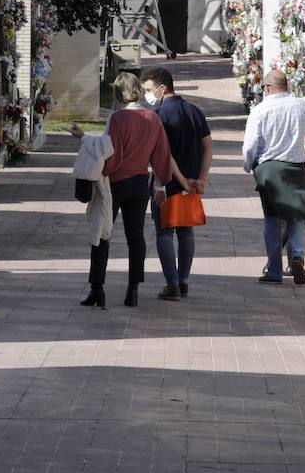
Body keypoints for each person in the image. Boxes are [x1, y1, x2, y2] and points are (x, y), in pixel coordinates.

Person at [72, 72, 190, 308]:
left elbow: (110, 151)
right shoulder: (153, 118)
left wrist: (84, 138)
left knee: (102, 234)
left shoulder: (117, 118)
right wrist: (159, 185)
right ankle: (133, 289)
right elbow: (162, 156)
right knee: (135, 237)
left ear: (118, 93)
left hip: (115, 183)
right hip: (139, 183)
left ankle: (97, 288)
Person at [141, 67, 211, 301]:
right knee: (186, 231)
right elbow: (207, 147)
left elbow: (164, 155)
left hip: (166, 182)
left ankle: (171, 284)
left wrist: (180, 181)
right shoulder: (194, 112)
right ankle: (183, 281)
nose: (147, 95)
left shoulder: (158, 116)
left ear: (162, 88)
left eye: (149, 89)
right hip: (192, 182)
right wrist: (201, 179)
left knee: (164, 233)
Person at [242, 69, 305, 284]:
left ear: (267, 88)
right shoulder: (302, 105)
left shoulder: (260, 110)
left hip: (270, 169)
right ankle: (297, 256)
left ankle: (274, 270)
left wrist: (249, 166)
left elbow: (250, 145)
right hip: (296, 167)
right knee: (297, 215)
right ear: (287, 85)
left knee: (272, 218)